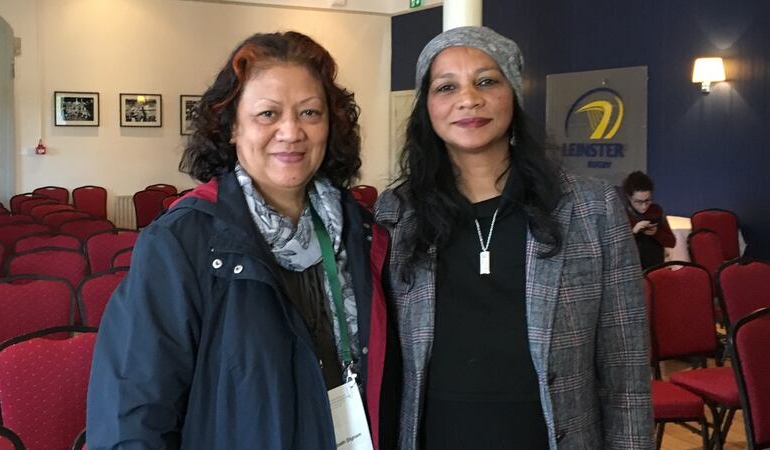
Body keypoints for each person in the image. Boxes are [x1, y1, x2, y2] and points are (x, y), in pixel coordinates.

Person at [87, 31, 398, 449]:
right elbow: (133, 412)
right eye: (268, 114)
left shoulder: (361, 231)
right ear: (232, 126)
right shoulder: (182, 242)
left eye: (310, 112)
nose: (291, 132)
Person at [375, 27, 653, 449]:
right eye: (446, 87)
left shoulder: (591, 208)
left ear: (514, 94)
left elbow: (626, 365)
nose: (469, 99)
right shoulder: (396, 213)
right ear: (426, 107)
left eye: (487, 81)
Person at [622, 171, 676, 270]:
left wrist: (656, 233)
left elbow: (671, 242)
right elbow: (618, 248)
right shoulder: (621, 213)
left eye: (648, 200)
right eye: (638, 202)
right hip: (631, 268)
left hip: (655, 266)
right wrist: (634, 232)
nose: (644, 206)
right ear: (629, 197)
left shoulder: (656, 210)